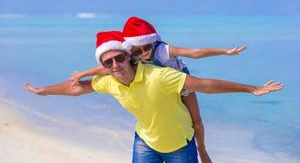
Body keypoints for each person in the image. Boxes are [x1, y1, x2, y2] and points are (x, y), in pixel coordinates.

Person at [25, 31, 283, 163]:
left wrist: (251, 89)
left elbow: (205, 84)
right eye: (108, 62)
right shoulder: (108, 81)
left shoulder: (159, 77)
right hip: (145, 142)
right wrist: (43, 92)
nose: (115, 65)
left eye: (119, 58)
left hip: (180, 145)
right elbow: (75, 88)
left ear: (130, 57)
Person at [68, 17, 246, 163]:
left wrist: (225, 52)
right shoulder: (134, 59)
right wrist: (83, 74)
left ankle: (203, 152)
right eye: (138, 50)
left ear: (153, 42)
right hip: (161, 88)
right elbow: (106, 67)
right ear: (132, 51)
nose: (144, 53)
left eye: (146, 47)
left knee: (195, 121)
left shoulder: (162, 50)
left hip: (180, 81)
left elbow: (193, 52)